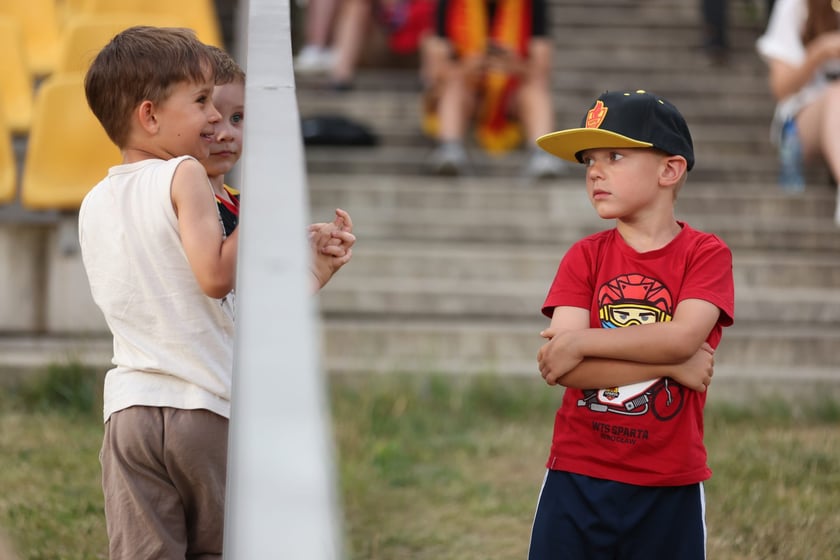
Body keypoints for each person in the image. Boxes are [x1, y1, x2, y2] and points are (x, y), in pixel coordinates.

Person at [79, 27, 354, 559]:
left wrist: (308, 271)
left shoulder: (96, 201)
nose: (213, 118)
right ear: (150, 116)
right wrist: (265, 206)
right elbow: (214, 277)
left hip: (130, 413)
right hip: (205, 409)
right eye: (201, 102)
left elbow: (214, 309)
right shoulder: (184, 175)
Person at [527, 90, 735, 559]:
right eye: (588, 161)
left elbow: (683, 337)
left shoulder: (706, 255)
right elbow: (564, 368)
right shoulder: (584, 257)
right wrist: (671, 367)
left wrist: (582, 341)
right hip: (576, 475)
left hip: (669, 481)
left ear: (669, 170)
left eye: (615, 156)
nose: (595, 171)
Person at [203, 44, 355, 277]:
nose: (226, 134)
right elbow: (211, 283)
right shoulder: (177, 198)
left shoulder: (240, 204)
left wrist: (313, 271)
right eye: (211, 119)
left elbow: (241, 303)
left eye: (237, 117)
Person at [421, 0, 566, 179]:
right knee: (455, 83)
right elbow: (435, 71)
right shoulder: (450, 4)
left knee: (535, 86)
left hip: (512, 93)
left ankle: (542, 153)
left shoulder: (532, 4)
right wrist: (470, 66)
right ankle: (449, 147)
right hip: (469, 92)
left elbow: (542, 68)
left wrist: (514, 65)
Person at [756, 0, 840, 224]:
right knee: (836, 95)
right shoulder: (796, 6)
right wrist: (819, 52)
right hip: (802, 121)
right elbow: (781, 87)